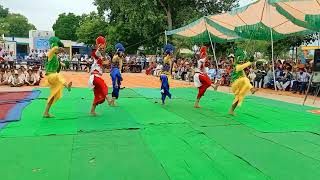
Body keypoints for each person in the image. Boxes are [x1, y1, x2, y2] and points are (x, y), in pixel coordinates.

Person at [43, 36, 72, 118]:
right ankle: (67, 86)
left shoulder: (56, 58)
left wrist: (66, 64)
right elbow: (54, 48)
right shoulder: (50, 54)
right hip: (50, 76)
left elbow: (63, 65)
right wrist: (60, 48)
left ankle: (46, 112)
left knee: (54, 95)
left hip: (53, 78)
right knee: (59, 75)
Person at [229, 49, 258, 116]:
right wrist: (250, 62)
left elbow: (245, 78)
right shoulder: (237, 67)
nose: (242, 62)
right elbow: (244, 66)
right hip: (235, 84)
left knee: (238, 97)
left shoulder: (241, 70)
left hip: (238, 84)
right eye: (241, 61)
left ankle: (231, 110)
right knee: (245, 79)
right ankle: (252, 89)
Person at [89, 36, 111, 116]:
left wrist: (106, 62)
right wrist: (99, 47)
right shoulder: (96, 54)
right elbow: (96, 53)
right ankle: (108, 99)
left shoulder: (101, 57)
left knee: (98, 95)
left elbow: (104, 64)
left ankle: (92, 111)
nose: (103, 47)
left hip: (97, 77)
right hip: (94, 77)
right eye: (102, 45)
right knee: (103, 85)